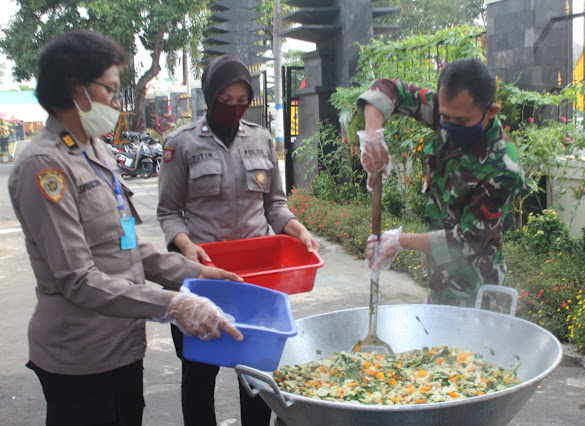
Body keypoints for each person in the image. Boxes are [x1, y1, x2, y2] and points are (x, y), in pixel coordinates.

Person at [9, 30, 246, 426]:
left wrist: (199, 273)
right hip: (81, 357)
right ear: (77, 90)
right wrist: (173, 305)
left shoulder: (96, 151)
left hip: (122, 346)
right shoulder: (45, 166)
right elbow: (78, 279)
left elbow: (127, 246)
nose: (118, 104)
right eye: (112, 91)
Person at [157, 54, 319, 426]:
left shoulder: (261, 140)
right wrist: (184, 245)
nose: (234, 109)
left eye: (241, 101)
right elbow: (168, 212)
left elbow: (275, 205)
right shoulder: (180, 144)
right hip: (203, 277)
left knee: (257, 376)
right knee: (199, 377)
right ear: (210, 98)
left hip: (256, 281)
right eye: (224, 101)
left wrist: (295, 227)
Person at [358, 58, 523, 307]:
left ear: (490, 112)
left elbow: (466, 242)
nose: (451, 126)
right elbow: (385, 88)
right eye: (445, 117)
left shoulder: (503, 167)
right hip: (439, 284)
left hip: (478, 295)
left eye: (462, 121)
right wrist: (373, 138)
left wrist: (398, 242)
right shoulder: (447, 109)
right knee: (434, 346)